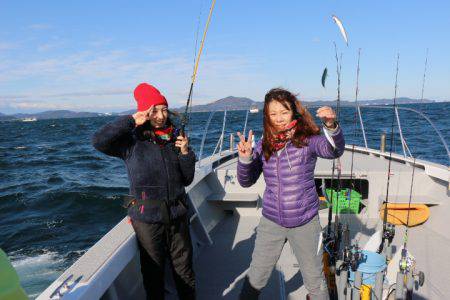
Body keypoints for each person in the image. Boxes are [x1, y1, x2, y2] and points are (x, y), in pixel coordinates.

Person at [236, 88, 345, 300]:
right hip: (271, 221)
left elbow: (333, 151)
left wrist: (331, 127)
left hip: (305, 221)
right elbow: (246, 181)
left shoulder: (308, 139)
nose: (278, 119)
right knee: (255, 277)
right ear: (267, 116)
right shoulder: (263, 144)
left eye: (283, 112)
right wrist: (245, 158)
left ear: (294, 112)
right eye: (273, 113)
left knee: (315, 281)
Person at [92, 83, 196, 300]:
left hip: (178, 213)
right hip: (147, 218)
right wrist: (131, 121)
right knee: (153, 273)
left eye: (164, 110)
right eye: (154, 110)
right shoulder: (130, 142)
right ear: (144, 112)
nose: (160, 116)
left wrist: (185, 152)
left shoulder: (175, 138)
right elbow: (98, 141)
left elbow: (188, 179)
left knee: (185, 270)